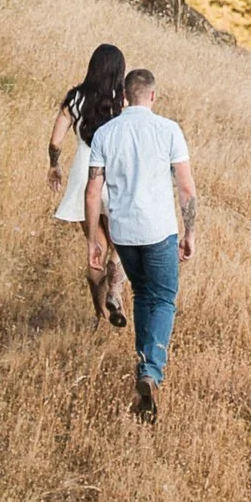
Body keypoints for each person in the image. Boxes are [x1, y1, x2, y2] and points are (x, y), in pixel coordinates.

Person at [84, 66, 196, 423]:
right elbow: (186, 187)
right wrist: (190, 231)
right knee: (163, 299)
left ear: (123, 97)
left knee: (143, 294)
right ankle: (152, 371)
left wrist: (92, 240)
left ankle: (144, 367)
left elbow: (92, 192)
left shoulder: (105, 133)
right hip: (159, 231)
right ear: (152, 97)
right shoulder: (168, 130)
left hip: (125, 234)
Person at [48, 41, 131, 329]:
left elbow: (55, 141)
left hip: (84, 174)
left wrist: (54, 165)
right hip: (115, 174)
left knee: (95, 246)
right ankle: (114, 291)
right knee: (119, 243)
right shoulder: (124, 103)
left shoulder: (75, 99)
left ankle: (100, 315)